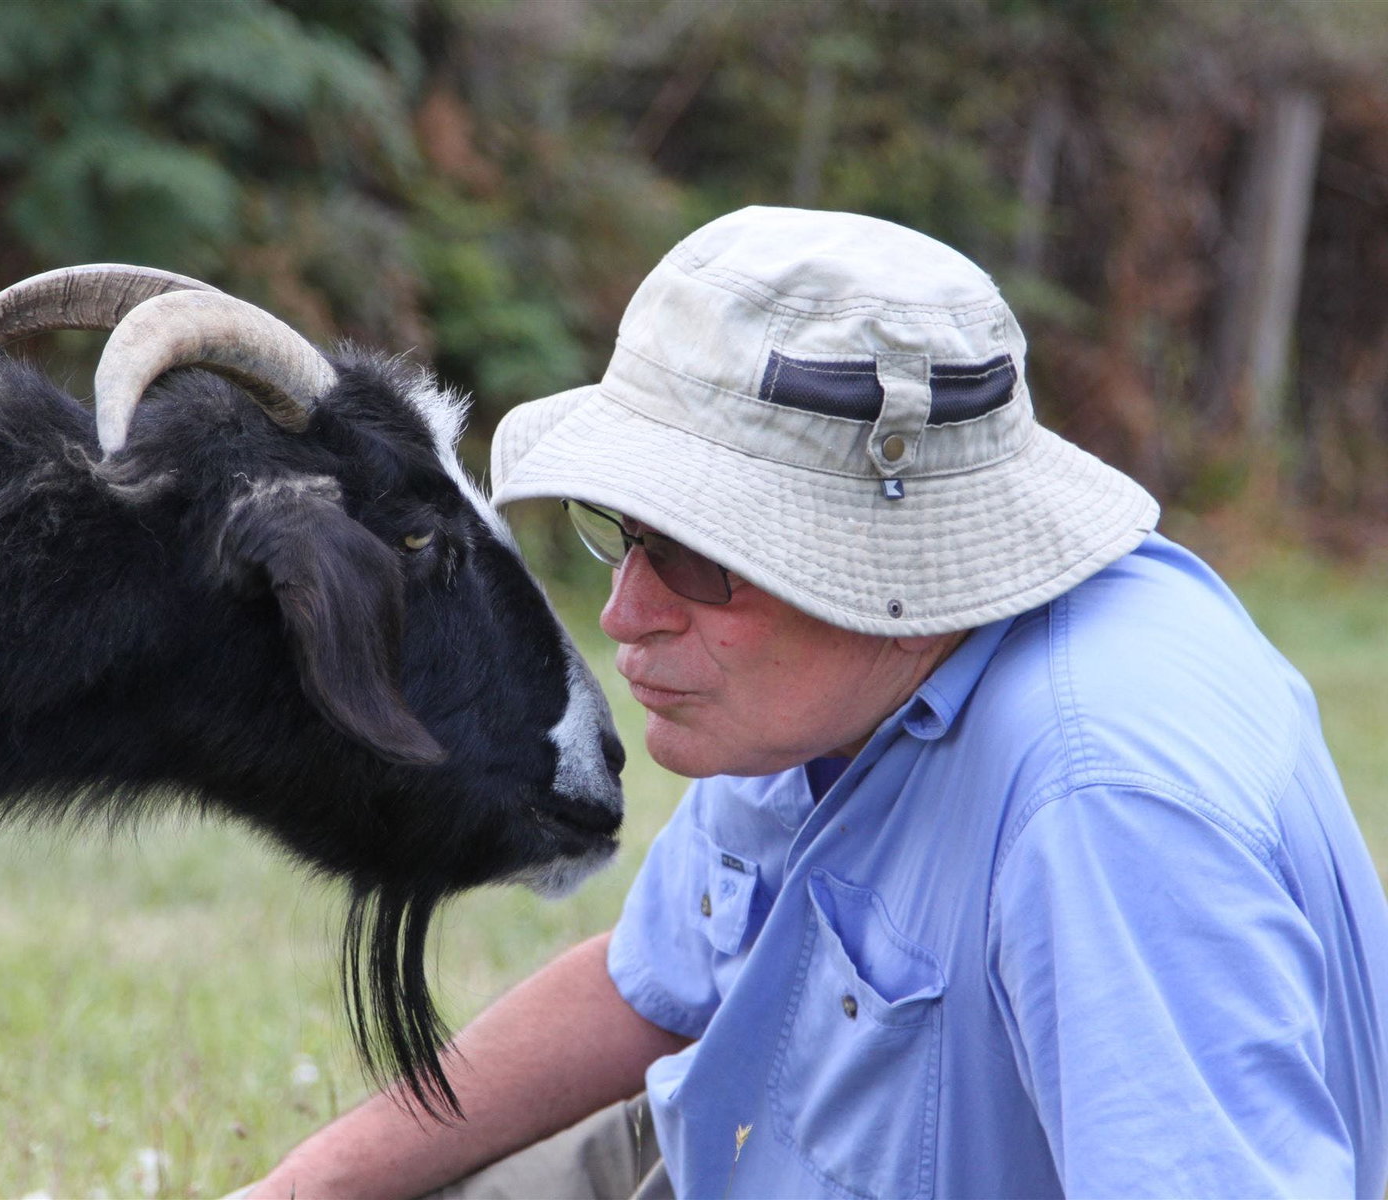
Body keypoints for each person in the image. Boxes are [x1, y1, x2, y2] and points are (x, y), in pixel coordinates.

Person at [249, 207, 1388, 1198]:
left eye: (696, 555)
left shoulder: (1104, 813)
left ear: (890, 556)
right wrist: (297, 1188)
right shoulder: (830, 690)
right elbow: (657, 983)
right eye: (625, 539)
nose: (624, 614)